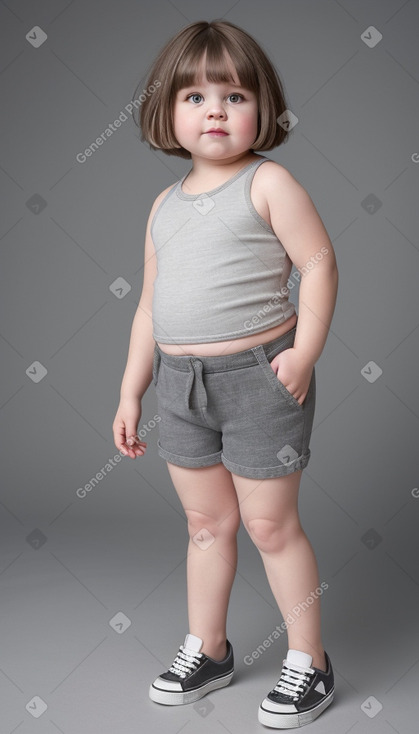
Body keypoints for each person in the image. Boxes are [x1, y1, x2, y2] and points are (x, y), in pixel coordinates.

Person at [112, 19, 339, 729]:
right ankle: (209, 648)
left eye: (234, 95)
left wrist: (303, 352)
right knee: (206, 524)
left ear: (261, 107)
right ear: (166, 112)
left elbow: (318, 264)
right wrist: (131, 388)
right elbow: (150, 306)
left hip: (258, 381)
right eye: (195, 97)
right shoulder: (162, 206)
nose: (214, 110)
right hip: (180, 386)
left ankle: (310, 660)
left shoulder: (269, 182)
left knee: (270, 526)